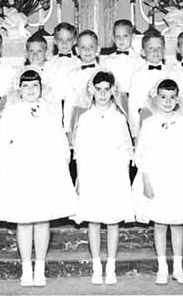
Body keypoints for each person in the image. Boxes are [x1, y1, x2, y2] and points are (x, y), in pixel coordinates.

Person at [0, 69, 77, 287]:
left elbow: (59, 141)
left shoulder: (50, 111)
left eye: (35, 86)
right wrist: (0, 175)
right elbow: (1, 145)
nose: (30, 90)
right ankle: (26, 268)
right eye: (26, 86)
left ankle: (39, 267)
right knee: (23, 220)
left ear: (41, 88)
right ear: (18, 89)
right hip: (19, 171)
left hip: (44, 171)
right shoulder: (10, 112)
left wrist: (61, 165)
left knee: (42, 220)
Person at [133, 78, 183, 285]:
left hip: (179, 176)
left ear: (177, 99)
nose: (168, 101)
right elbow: (142, 153)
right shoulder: (149, 123)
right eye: (163, 97)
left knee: (178, 223)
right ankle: (162, 267)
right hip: (157, 176)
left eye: (172, 97)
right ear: (155, 99)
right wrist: (146, 181)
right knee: (160, 223)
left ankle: (178, 268)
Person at [71, 70, 134, 285]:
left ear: (112, 91)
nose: (103, 94)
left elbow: (126, 149)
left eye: (107, 90)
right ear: (92, 91)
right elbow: (79, 150)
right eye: (99, 90)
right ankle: (97, 264)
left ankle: (112, 264)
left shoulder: (119, 118)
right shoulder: (85, 118)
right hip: (92, 172)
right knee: (94, 219)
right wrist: (80, 178)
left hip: (114, 172)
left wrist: (123, 175)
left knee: (113, 219)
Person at [128, 28, 178, 139]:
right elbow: (133, 107)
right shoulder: (137, 76)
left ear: (164, 51)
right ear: (143, 52)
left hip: (168, 127)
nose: (155, 51)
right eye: (150, 48)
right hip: (145, 128)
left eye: (159, 48)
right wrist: (136, 133)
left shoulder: (172, 75)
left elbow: (178, 103)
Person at [45, 22, 81, 126]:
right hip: (54, 103)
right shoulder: (49, 64)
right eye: (61, 40)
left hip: (73, 103)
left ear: (74, 41)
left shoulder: (79, 63)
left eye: (68, 40)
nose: (64, 43)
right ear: (55, 41)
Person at [103, 19, 144, 95]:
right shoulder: (107, 61)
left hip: (133, 97)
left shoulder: (139, 60)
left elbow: (141, 84)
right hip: (112, 98)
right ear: (113, 38)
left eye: (125, 36)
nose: (121, 40)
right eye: (118, 36)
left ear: (133, 37)